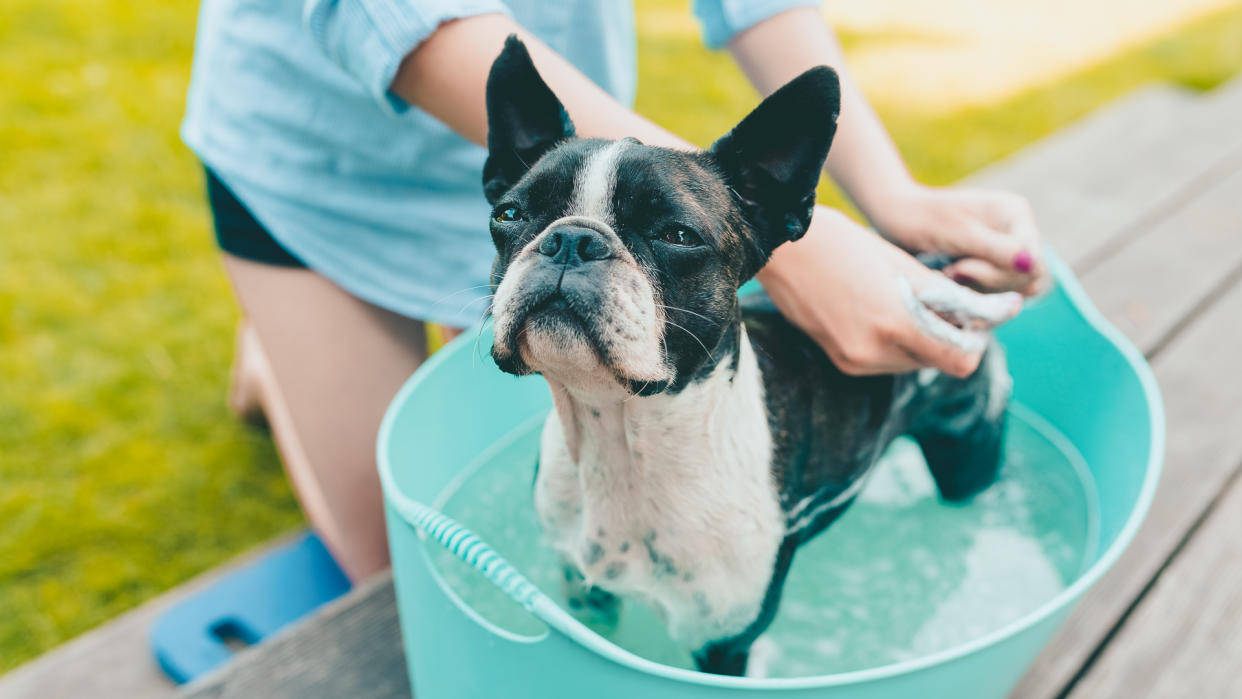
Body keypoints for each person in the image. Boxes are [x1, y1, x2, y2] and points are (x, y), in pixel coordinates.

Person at [182, 0, 1050, 581]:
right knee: (402, 568)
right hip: (322, 162)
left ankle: (296, 358)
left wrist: (889, 192)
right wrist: (785, 253)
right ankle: (281, 352)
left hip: (572, 168)